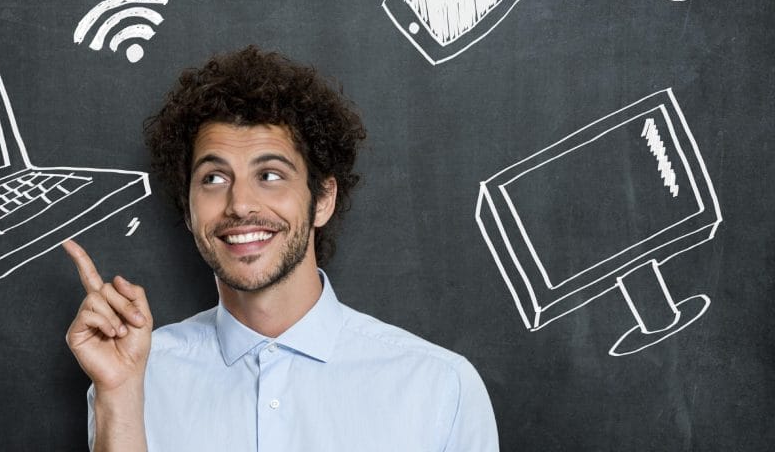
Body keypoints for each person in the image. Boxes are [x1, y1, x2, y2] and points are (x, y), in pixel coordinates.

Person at [63, 46, 498, 452]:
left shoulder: (440, 386)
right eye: (214, 179)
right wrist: (118, 396)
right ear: (189, 208)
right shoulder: (132, 377)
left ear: (322, 199)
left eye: (270, 174)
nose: (241, 205)